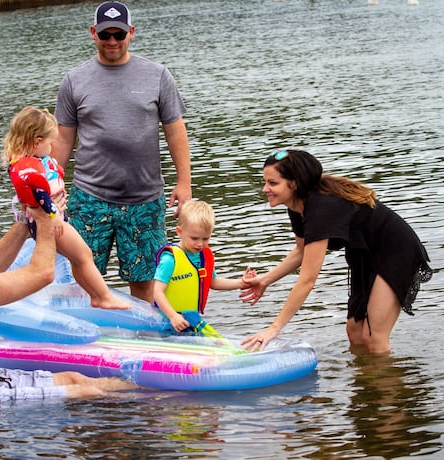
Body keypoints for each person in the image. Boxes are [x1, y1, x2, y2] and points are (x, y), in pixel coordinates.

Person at [0, 197, 138, 409]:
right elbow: (43, 273)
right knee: (86, 391)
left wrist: (25, 220)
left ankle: (144, 391)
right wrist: (48, 219)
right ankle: (149, 416)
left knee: (75, 378)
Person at [52, 1, 192, 303]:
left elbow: (175, 131)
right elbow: (63, 139)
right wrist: (52, 186)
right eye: (105, 35)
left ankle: (142, 340)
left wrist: (184, 183)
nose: (112, 41)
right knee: (81, 276)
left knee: (144, 282)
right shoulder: (74, 80)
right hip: (90, 199)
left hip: (145, 200)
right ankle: (88, 342)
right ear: (93, 33)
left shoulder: (157, 75)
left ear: (132, 33)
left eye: (119, 34)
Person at [239, 149, 433, 354]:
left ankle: (381, 384)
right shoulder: (297, 204)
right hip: (364, 254)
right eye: (266, 182)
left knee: (374, 338)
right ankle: (368, 382)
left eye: (273, 183)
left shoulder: (320, 208)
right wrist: (265, 280)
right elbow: (301, 250)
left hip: (396, 251)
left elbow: (307, 280)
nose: (265, 189)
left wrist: (274, 328)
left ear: (294, 183)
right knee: (355, 331)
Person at [1, 106, 129, 310]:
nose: (52, 148)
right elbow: (41, 196)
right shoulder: (30, 167)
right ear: (37, 142)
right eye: (51, 142)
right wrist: (54, 217)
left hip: (49, 221)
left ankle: (94, 295)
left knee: (77, 259)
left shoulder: (26, 162)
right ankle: (103, 296)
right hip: (52, 223)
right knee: (84, 255)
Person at [154, 200, 256, 332]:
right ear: (179, 232)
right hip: (166, 321)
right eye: (194, 238)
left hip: (190, 320)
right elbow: (157, 291)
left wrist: (241, 283)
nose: (200, 244)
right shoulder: (170, 259)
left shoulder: (204, 256)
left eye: (205, 239)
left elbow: (213, 282)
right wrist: (173, 316)